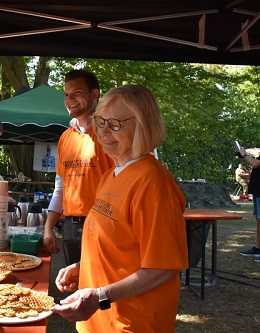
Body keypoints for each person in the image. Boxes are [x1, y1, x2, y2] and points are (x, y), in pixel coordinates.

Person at [52, 84, 188, 332]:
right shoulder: (111, 174)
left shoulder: (153, 183)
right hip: (98, 323)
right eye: (100, 121)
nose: (103, 131)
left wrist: (99, 296)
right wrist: (84, 268)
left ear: (143, 126)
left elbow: (162, 269)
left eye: (115, 124)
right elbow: (120, 247)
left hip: (132, 323)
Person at [43, 69, 114, 266]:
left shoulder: (110, 134)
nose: (70, 100)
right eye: (66, 95)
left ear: (94, 94)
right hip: (70, 227)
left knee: (102, 291)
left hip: (104, 225)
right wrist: (49, 227)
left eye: (77, 93)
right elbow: (61, 187)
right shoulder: (66, 138)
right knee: (76, 288)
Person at [237, 148, 260, 260]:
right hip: (258, 190)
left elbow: (255, 164)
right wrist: (244, 155)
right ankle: (257, 248)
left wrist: (244, 154)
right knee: (258, 219)